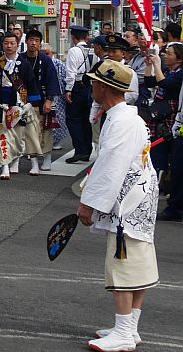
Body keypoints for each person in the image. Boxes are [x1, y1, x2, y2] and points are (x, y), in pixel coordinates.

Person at [79, 59, 159, 352]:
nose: (92, 86)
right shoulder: (125, 117)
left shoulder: (121, 121)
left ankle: (124, 331)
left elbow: (111, 166)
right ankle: (129, 327)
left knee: (124, 265)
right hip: (139, 197)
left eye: (94, 82)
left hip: (129, 202)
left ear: (104, 87)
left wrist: (88, 204)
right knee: (138, 263)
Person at [0, 32, 31, 180]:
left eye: (12, 43)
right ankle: (4, 165)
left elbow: (31, 84)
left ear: (17, 45)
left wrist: (32, 103)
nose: (9, 46)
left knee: (18, 136)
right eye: (6, 43)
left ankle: (15, 159)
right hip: (0, 104)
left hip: (18, 104)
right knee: (1, 135)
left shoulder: (24, 64)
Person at [146, 43, 183, 221]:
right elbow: (150, 82)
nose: (165, 56)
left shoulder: (179, 75)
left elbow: (164, 83)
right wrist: (149, 64)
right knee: (168, 161)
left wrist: (156, 64)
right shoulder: (171, 72)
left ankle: (175, 207)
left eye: (169, 53)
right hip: (171, 122)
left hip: (174, 121)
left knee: (177, 166)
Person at [19, 28, 61, 174]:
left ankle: (47, 157)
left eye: (36, 41)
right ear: (26, 42)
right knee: (29, 131)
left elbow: (52, 81)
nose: (33, 43)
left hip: (43, 99)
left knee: (46, 130)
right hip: (25, 100)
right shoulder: (20, 59)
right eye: (31, 40)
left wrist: (49, 100)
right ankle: (34, 162)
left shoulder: (46, 60)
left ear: (40, 44)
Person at [65, 25, 97, 163]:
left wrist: (68, 89)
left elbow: (71, 72)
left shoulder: (74, 50)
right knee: (86, 119)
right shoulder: (94, 50)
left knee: (73, 119)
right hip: (90, 87)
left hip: (77, 86)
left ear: (74, 37)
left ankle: (79, 150)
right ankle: (87, 150)